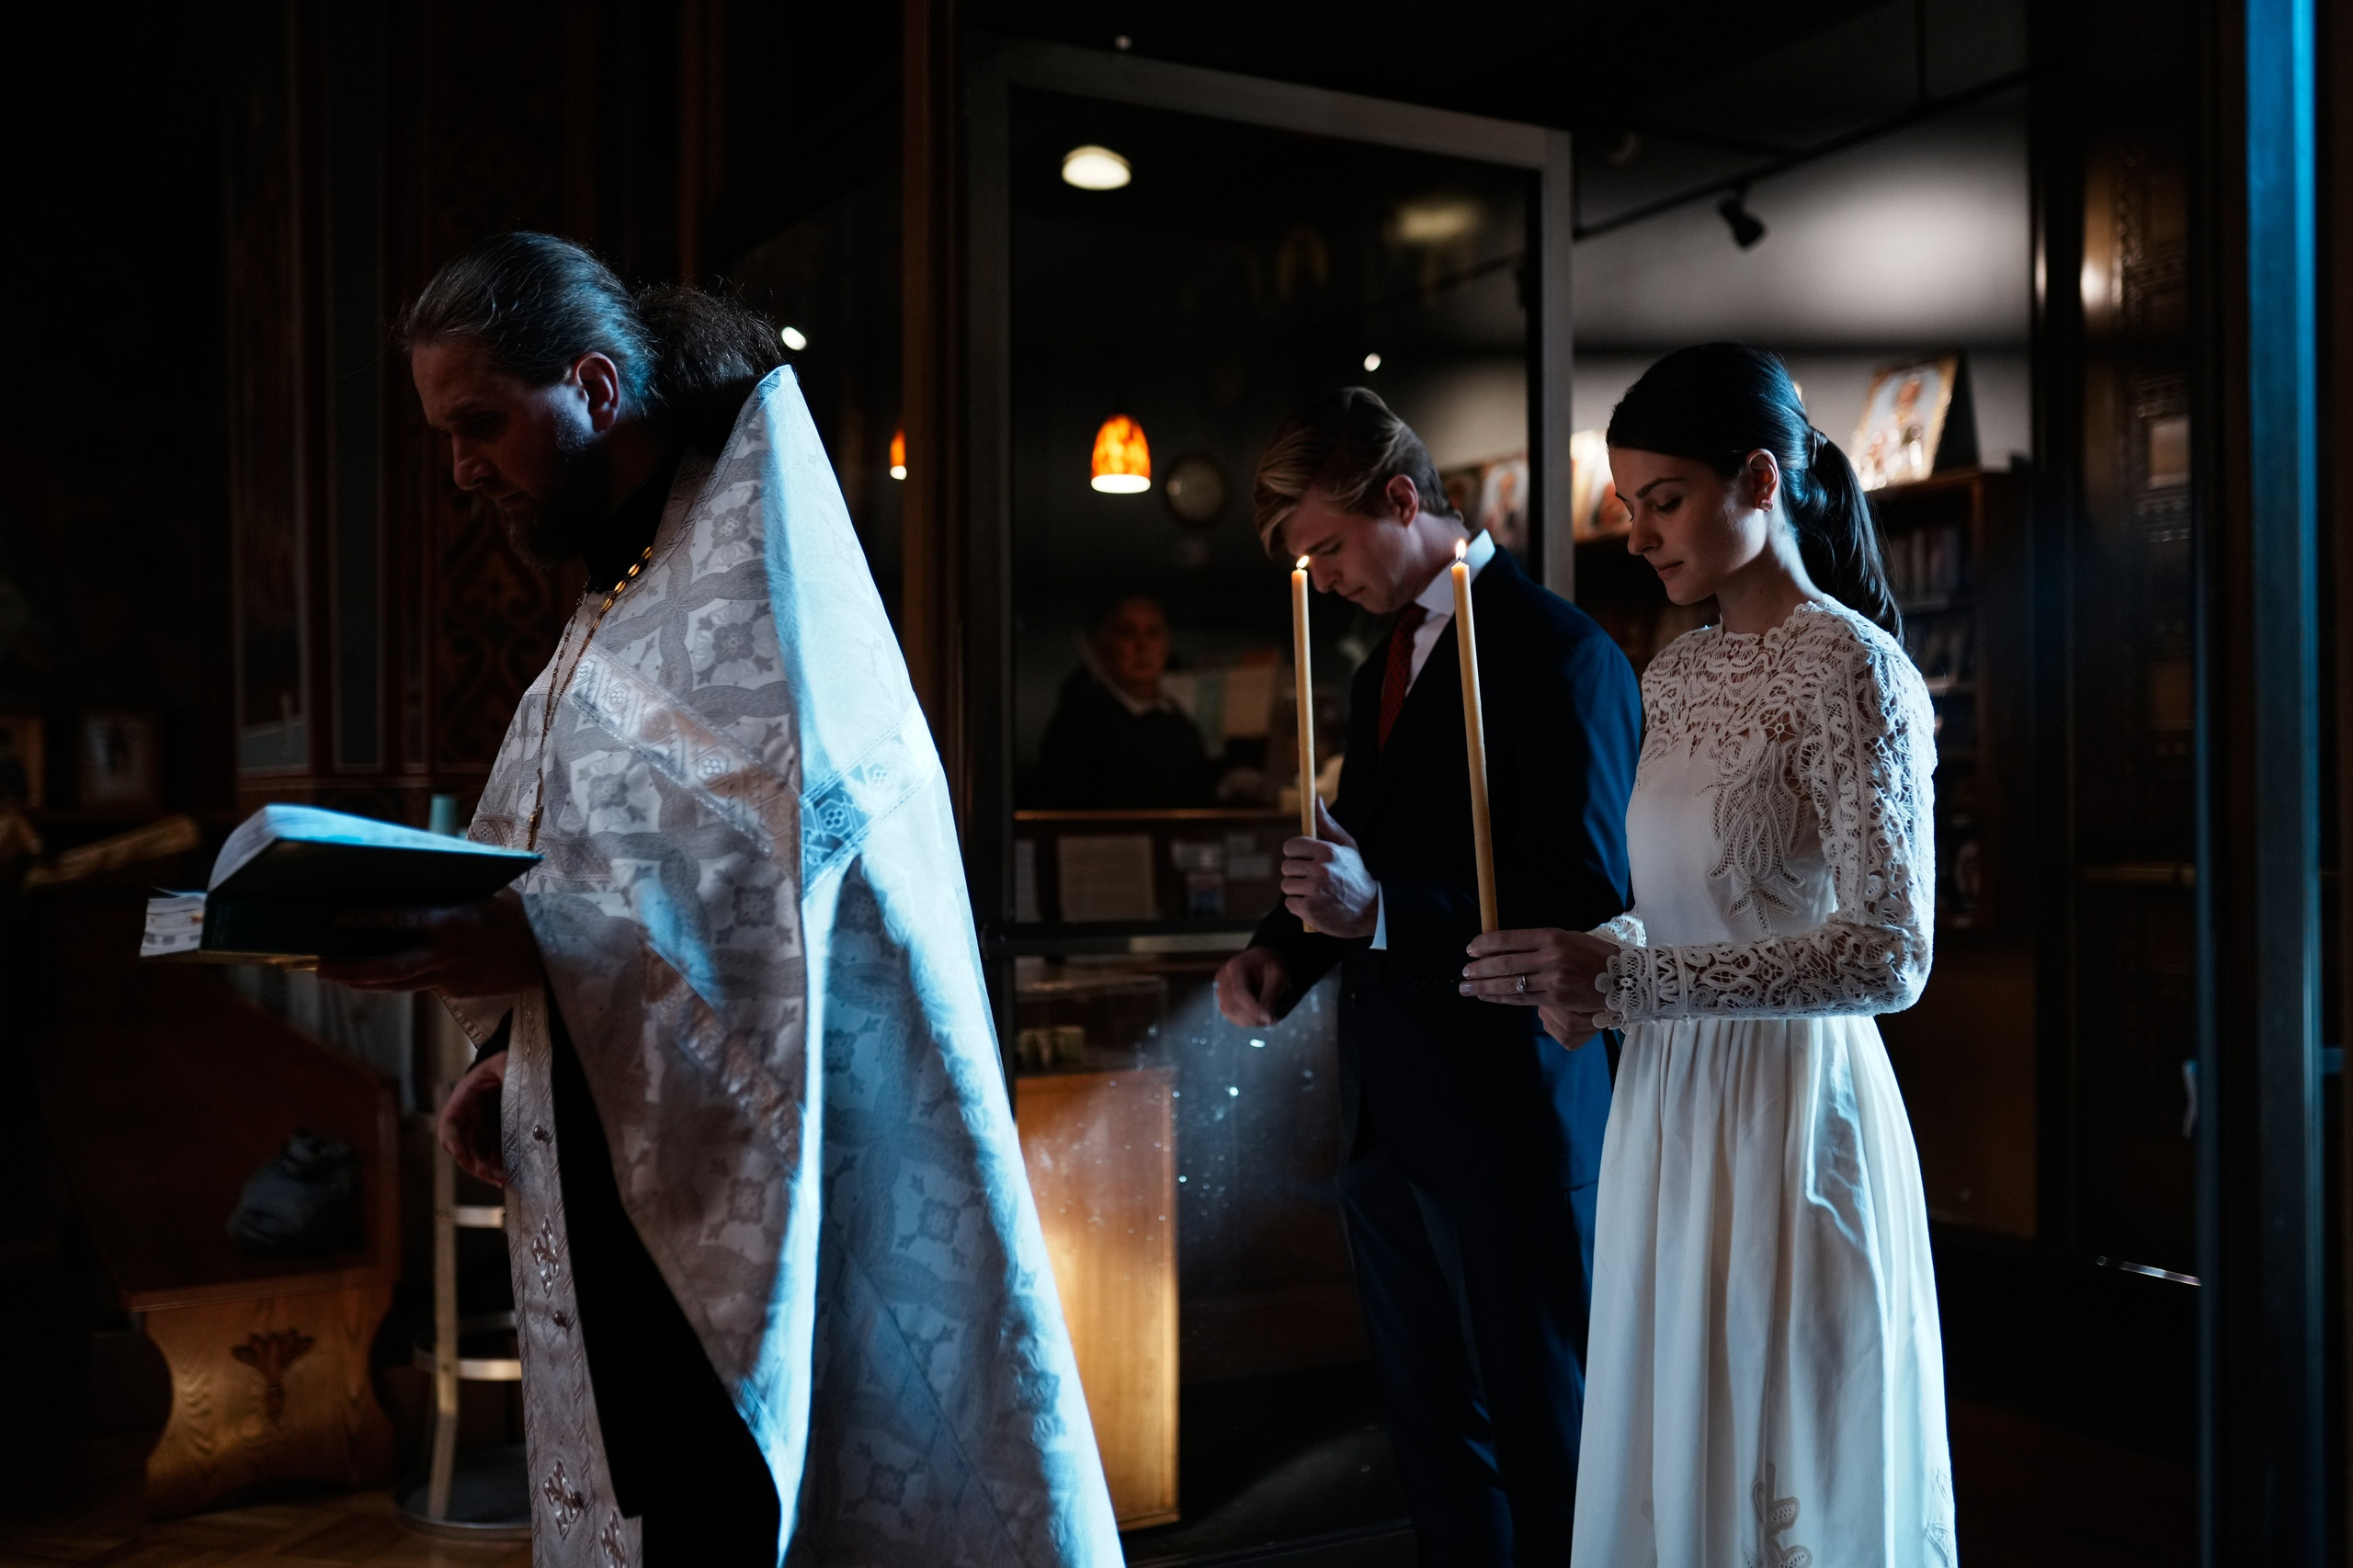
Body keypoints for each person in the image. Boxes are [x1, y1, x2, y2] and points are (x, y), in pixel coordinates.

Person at [325, 233, 1118, 1567]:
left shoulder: (751, 589)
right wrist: (521, 1044)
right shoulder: (625, 598)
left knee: (731, 1508)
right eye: (445, 434)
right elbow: (599, 871)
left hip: (771, 1175)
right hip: (624, 1143)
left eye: (481, 424)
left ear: (590, 383)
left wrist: (537, 947)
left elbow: (765, 901)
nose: (461, 468)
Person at [1460, 343, 1955, 1565]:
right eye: (1630, 507)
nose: (1638, 537)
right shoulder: (1677, 671)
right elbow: (1688, 906)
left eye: (1664, 501)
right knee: (1675, 1449)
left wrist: (1635, 983)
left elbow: (1893, 953)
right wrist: (1592, 955)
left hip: (1791, 1114)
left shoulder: (1851, 666)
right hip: (1672, 1111)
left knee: (1781, 1452)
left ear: (1761, 478)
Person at [1214, 388, 1641, 1563]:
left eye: (1328, 547)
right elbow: (1365, 845)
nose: (1322, 578)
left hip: (1511, 1114)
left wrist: (1388, 911)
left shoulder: (1562, 654)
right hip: (1390, 1119)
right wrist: (1277, 952)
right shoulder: (1379, 666)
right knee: (1433, 1437)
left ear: (1402, 499)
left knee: (1548, 1436)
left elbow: (1591, 905)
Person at [1032, 594, 1217, 808]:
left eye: (1153, 634)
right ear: (1103, 648)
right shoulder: (1077, 725)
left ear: (1167, 645)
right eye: (1128, 634)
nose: (1142, 646)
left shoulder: (1181, 726)